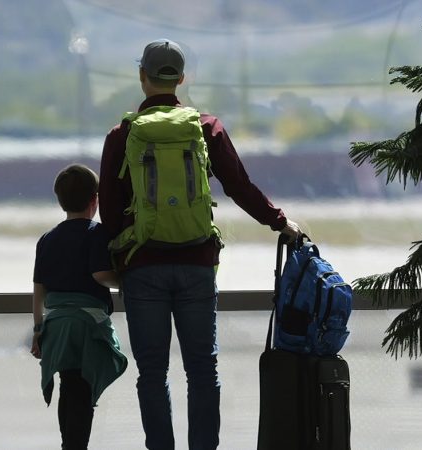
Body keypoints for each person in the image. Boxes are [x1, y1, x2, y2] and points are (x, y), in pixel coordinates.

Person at [97, 39, 302, 450]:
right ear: (181, 78)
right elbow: (239, 186)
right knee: (203, 371)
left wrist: (123, 258)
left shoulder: (122, 135)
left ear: (143, 77)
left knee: (152, 373)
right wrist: (280, 222)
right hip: (196, 262)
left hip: (143, 266)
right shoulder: (206, 128)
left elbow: (110, 211)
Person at [31, 163, 128, 450]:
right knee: (83, 389)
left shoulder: (47, 239)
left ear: (60, 201)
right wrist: (124, 281)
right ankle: (76, 445)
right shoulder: (95, 234)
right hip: (85, 326)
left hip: (58, 325)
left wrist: (39, 329)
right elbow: (100, 275)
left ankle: (69, 443)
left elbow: (39, 290)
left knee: (68, 385)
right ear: (94, 201)